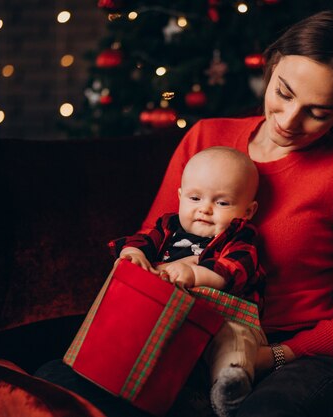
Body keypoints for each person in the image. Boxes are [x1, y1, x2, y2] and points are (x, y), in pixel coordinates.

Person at [36, 9, 333, 417]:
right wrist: (139, 265)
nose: (288, 120)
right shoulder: (207, 137)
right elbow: (158, 234)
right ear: (272, 62)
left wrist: (276, 355)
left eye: (318, 113)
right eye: (283, 93)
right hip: (185, 335)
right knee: (55, 388)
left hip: (294, 355)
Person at [109, 146, 267, 417]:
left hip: (224, 318)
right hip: (172, 318)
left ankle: (230, 385)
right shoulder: (167, 227)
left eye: (222, 203)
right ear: (180, 196)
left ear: (248, 210)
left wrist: (194, 274)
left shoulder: (239, 238)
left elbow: (233, 269)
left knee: (237, 340)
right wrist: (133, 253)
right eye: (195, 198)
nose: (204, 209)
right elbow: (142, 240)